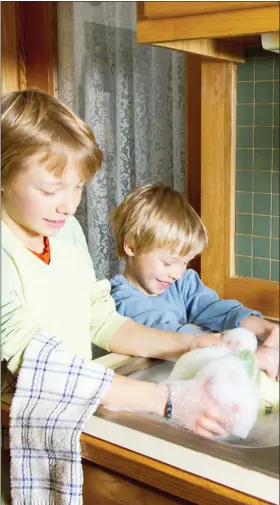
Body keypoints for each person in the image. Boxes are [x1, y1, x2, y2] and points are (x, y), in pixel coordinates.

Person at [1, 89, 232, 440]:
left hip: (72, 409)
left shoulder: (66, 233)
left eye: (78, 187)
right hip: (14, 428)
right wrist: (165, 400)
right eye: (50, 191)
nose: (68, 205)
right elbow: (34, 358)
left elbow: (100, 319)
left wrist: (186, 345)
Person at [110, 184, 279, 379]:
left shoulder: (181, 284)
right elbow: (167, 330)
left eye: (185, 263)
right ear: (131, 246)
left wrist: (266, 328)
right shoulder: (121, 300)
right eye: (169, 262)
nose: (178, 274)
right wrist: (243, 356)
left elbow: (216, 309)